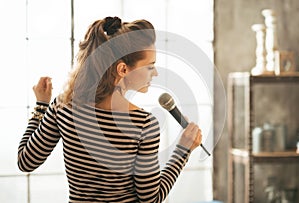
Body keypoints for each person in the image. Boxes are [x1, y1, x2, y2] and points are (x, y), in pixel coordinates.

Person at [18, 16, 202, 202]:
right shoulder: (143, 124)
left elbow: (25, 161)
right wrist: (182, 151)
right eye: (150, 66)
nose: (155, 73)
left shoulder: (62, 106)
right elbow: (150, 199)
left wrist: (41, 106)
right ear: (122, 69)